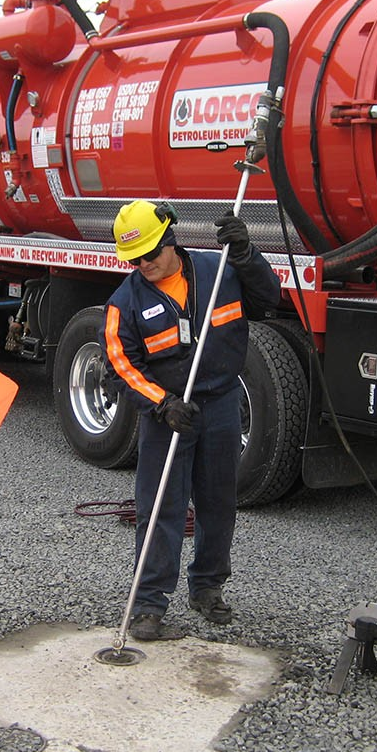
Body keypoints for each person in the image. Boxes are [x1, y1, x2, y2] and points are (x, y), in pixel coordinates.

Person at [100, 199, 282, 641]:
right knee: (160, 508)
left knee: (219, 502)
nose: (143, 264)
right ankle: (148, 604)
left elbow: (269, 300)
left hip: (219, 405)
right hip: (168, 415)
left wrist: (246, 255)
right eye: (134, 259)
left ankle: (207, 588)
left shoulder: (217, 273)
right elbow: (120, 365)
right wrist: (161, 404)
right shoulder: (124, 303)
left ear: (171, 241)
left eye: (150, 254)